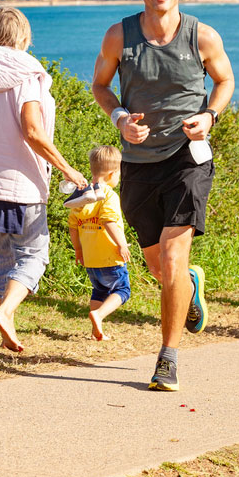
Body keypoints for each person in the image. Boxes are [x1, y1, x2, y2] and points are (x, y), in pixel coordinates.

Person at [91, 0, 235, 392]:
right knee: (159, 266)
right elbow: (100, 85)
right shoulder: (120, 35)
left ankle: (167, 358)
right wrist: (119, 119)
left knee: (172, 260)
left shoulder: (202, 35)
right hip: (138, 163)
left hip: (188, 159)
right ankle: (189, 286)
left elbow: (225, 81)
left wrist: (209, 116)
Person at [0, 6, 87, 352]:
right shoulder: (29, 75)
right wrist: (69, 169)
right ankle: (7, 311)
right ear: (24, 36)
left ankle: (4, 325)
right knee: (34, 254)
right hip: (20, 184)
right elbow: (33, 131)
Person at [68, 145, 132, 341]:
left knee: (100, 290)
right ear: (113, 174)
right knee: (122, 290)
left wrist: (78, 250)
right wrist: (121, 244)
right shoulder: (108, 195)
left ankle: (97, 330)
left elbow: (73, 225)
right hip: (109, 256)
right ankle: (99, 314)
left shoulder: (82, 196)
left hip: (90, 257)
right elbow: (109, 221)